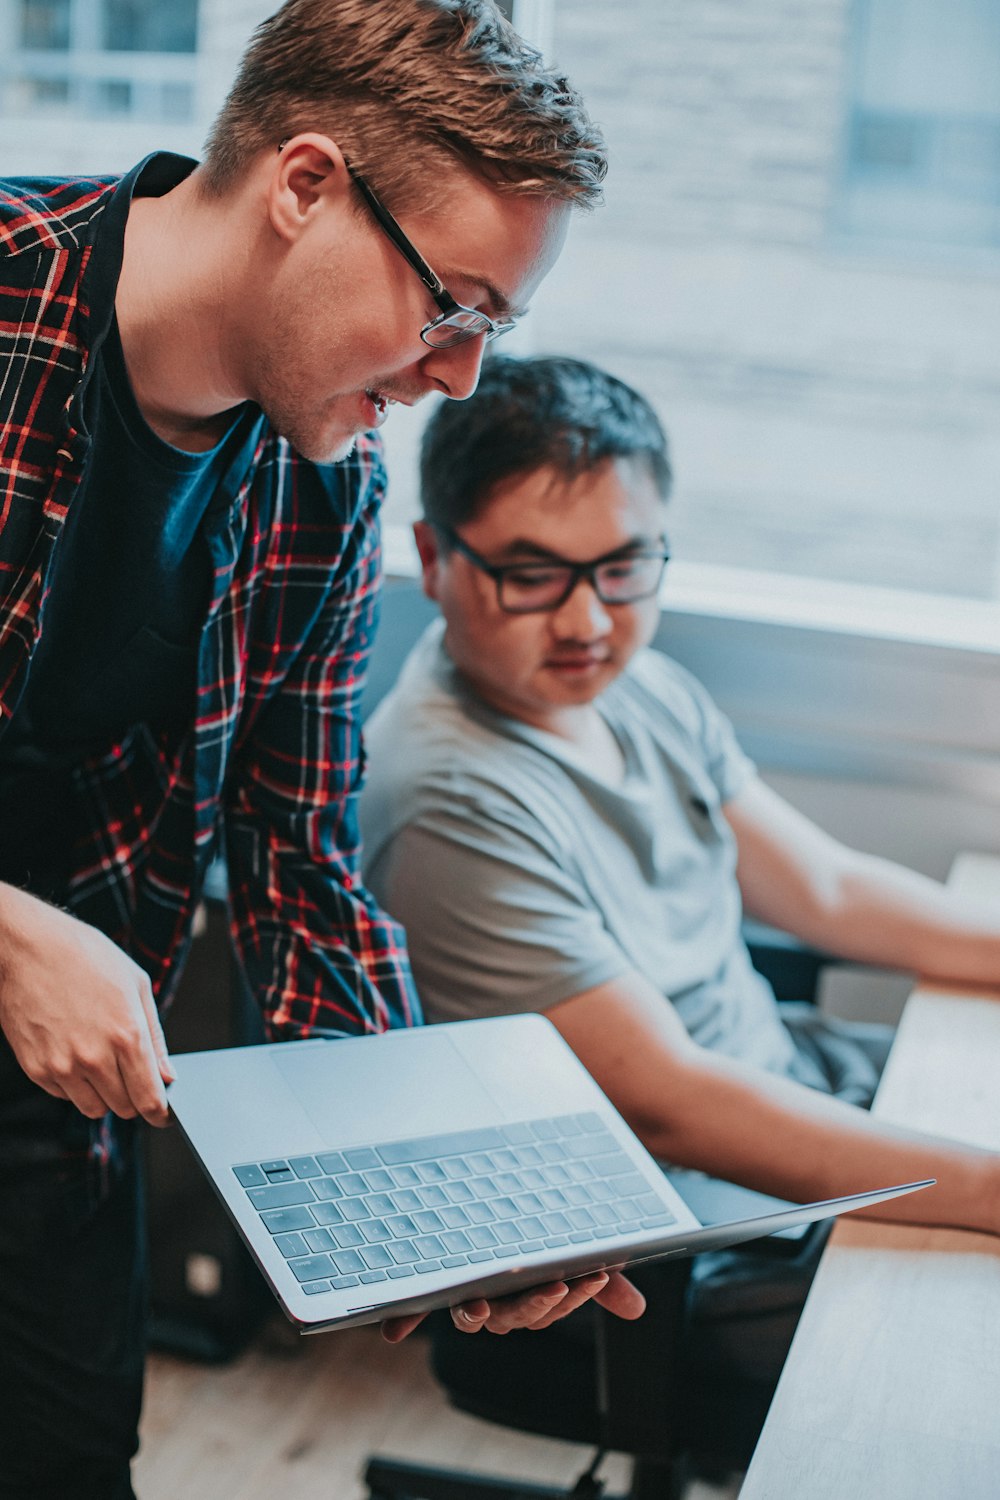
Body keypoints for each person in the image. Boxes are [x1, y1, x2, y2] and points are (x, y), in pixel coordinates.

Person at [0, 11, 646, 1498]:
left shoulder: (324, 494)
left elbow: (297, 867)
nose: (466, 377)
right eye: (451, 308)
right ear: (303, 184)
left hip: (50, 1125)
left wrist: (439, 1196)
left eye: (497, 328)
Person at [360, 351, 1000, 1411]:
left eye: (621, 567)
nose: (586, 622)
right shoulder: (448, 797)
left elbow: (827, 891)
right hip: (692, 1236)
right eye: (531, 574)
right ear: (434, 558)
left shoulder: (635, 684)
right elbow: (670, 1109)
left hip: (793, 1081)